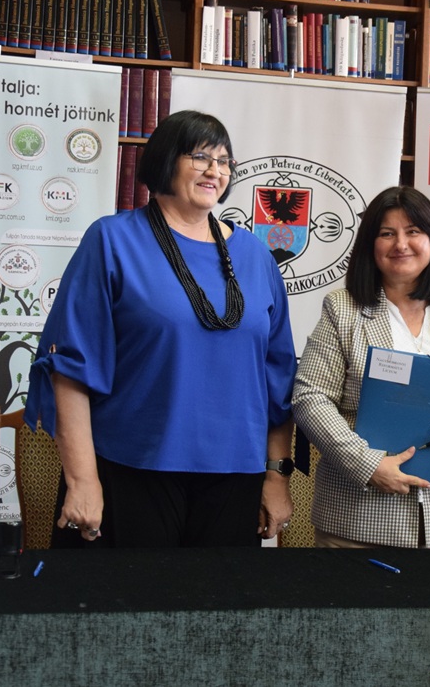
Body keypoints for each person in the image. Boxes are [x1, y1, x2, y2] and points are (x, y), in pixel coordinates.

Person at [25, 110, 296, 547]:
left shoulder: (256, 256)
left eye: (224, 161)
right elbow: (71, 368)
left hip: (236, 475)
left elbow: (278, 380)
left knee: (220, 594)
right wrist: (82, 480)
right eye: (201, 156)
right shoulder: (112, 240)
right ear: (165, 160)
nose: (215, 170)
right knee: (130, 593)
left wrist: (277, 476)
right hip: (132, 466)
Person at [292, 186, 430, 548]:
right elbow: (310, 397)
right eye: (387, 233)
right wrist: (367, 465)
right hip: (359, 521)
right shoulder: (342, 309)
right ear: (370, 244)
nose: (401, 244)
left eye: (413, 231)